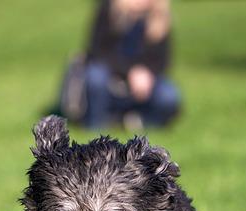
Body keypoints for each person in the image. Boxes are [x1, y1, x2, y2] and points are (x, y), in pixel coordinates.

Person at [60, 0, 181, 129]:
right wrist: (130, 71)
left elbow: (162, 60)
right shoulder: (109, 10)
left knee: (169, 95)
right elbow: (98, 51)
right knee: (96, 76)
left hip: (141, 89)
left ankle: (134, 121)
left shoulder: (159, 19)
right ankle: (96, 125)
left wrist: (147, 73)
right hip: (109, 83)